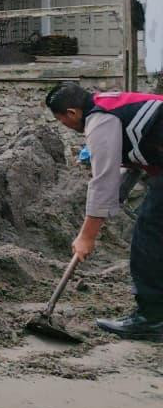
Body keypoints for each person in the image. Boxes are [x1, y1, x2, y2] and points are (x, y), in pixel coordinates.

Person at [46, 83, 163, 341]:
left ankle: (151, 319)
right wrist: (113, 202)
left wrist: (87, 236)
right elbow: (129, 168)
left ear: (71, 113)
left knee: (149, 237)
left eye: (61, 120)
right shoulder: (113, 106)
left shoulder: (100, 120)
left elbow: (103, 179)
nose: (65, 125)